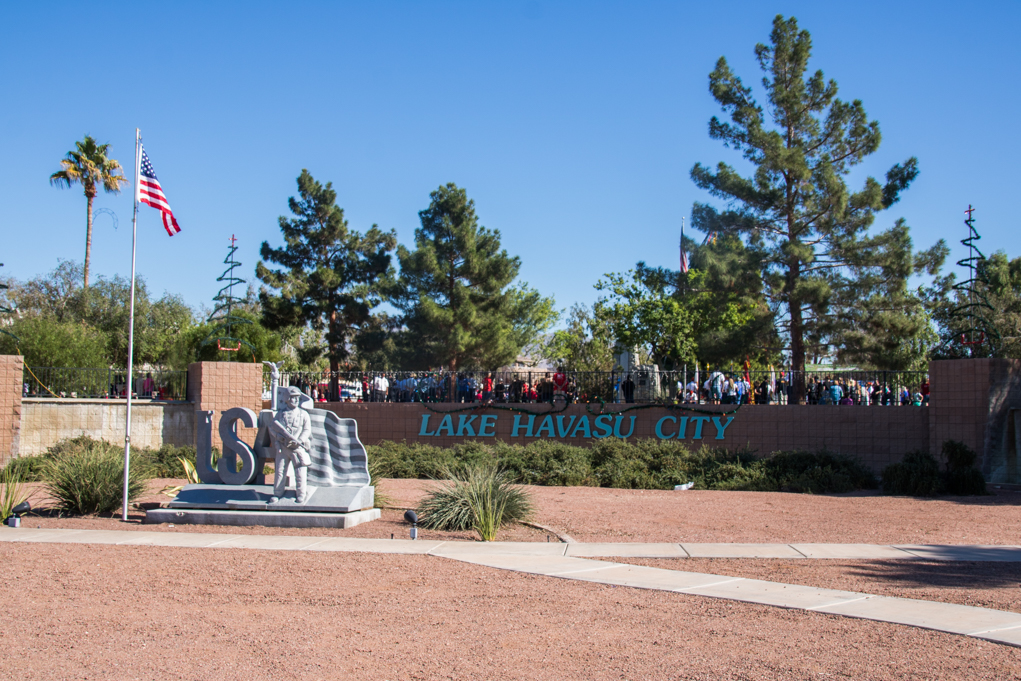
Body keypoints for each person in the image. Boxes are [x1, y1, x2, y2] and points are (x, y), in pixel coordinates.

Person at [269, 386, 313, 504]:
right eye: (293, 398)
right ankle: (277, 493)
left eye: (297, 398)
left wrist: (300, 440)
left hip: (297, 448)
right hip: (283, 448)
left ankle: (301, 494)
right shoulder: (280, 414)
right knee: (280, 471)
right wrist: (278, 437)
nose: (296, 400)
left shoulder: (303, 414)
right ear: (287, 399)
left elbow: (307, 430)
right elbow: (272, 427)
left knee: (300, 473)